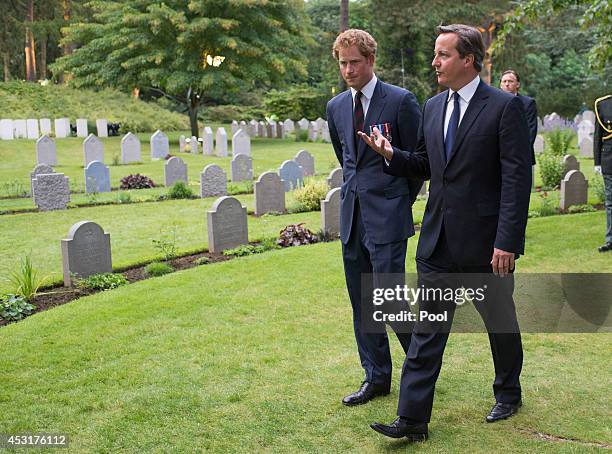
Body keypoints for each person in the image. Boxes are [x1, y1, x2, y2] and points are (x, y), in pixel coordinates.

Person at [358, 24, 532, 441]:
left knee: (499, 321)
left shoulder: (504, 107)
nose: (434, 62)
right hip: (437, 241)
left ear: (467, 60)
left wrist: (506, 242)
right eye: (436, 54)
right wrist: (391, 155)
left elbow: (516, 180)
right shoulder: (434, 107)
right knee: (427, 331)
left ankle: (508, 392)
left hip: (486, 244)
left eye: (443, 54)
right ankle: (412, 420)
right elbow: (425, 164)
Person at [326, 29, 422, 406]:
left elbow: (416, 163)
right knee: (363, 302)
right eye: (342, 63)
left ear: (370, 61)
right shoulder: (335, 107)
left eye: (354, 62)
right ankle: (376, 376)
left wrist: (398, 201)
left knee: (389, 299)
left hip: (388, 217)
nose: (348, 70)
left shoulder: (400, 101)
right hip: (353, 217)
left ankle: (421, 366)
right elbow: (346, 158)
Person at [500, 69, 538, 165]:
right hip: (499, 157)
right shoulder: (494, 103)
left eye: (510, 81)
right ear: (500, 85)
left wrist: (517, 154)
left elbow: (531, 131)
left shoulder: (528, 103)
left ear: (518, 84)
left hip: (521, 157)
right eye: (504, 81)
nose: (507, 84)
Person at [594, 94, 612, 253]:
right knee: (610, 202)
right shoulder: (603, 104)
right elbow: (598, 135)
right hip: (609, 159)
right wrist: (597, 162)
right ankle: (610, 240)